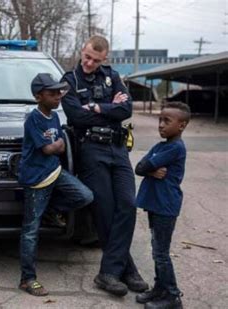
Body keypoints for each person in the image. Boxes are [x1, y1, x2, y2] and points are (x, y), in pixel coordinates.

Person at [60, 35, 148, 296]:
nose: (89, 62)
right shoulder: (69, 81)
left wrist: (97, 107)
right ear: (82, 51)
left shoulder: (112, 76)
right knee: (106, 211)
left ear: (104, 59)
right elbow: (76, 115)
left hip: (118, 149)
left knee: (128, 205)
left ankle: (110, 271)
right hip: (91, 150)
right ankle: (126, 271)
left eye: (95, 60)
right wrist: (111, 107)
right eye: (87, 57)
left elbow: (127, 110)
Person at [18, 73, 94, 296]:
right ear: (38, 97)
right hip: (36, 178)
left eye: (59, 91)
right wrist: (57, 145)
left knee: (85, 196)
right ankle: (27, 278)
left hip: (54, 171)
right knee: (31, 230)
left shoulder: (54, 117)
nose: (58, 96)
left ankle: (52, 210)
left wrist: (57, 145)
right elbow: (49, 148)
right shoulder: (33, 119)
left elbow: (58, 146)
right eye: (52, 93)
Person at [134, 102, 190, 309]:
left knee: (161, 253)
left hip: (166, 205)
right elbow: (140, 168)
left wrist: (148, 167)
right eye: (160, 120)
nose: (161, 125)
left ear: (182, 125)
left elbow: (145, 164)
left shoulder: (175, 147)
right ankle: (160, 289)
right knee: (157, 249)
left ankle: (173, 297)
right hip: (156, 204)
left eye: (167, 121)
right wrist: (150, 171)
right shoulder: (160, 146)